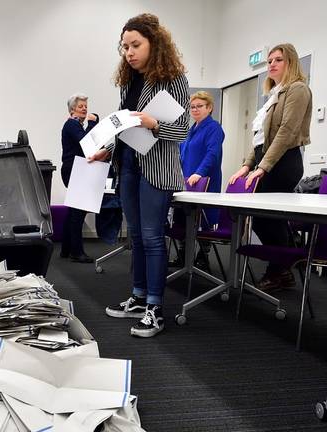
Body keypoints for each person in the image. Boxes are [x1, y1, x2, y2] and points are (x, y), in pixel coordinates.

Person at [89, 13, 190, 338]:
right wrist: (108, 151)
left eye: (135, 45)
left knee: (151, 237)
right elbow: (125, 126)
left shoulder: (172, 78)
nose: (129, 52)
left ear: (154, 43)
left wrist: (154, 124)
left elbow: (183, 130)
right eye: (125, 47)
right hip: (129, 165)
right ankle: (138, 297)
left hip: (156, 169)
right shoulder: (130, 80)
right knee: (136, 238)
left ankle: (155, 309)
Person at [228, 43, 312, 291]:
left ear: (291, 62)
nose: (272, 64)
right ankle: (284, 264)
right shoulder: (274, 94)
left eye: (279, 60)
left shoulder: (298, 89)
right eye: (269, 61)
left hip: (284, 161)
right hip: (266, 159)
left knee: (268, 220)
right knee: (263, 219)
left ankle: (280, 268)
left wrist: (263, 167)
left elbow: (286, 132)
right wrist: (247, 165)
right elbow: (258, 138)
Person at [60, 93, 99, 263]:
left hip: (75, 168)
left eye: (85, 106)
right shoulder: (72, 125)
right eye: (80, 106)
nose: (84, 108)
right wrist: (92, 123)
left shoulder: (75, 126)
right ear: (72, 110)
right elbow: (87, 143)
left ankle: (66, 249)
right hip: (74, 169)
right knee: (78, 211)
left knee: (74, 211)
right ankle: (76, 252)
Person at [180, 91, 224, 226]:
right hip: (187, 181)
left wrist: (199, 173)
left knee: (203, 221)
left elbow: (213, 154)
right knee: (183, 220)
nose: (194, 109)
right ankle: (184, 245)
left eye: (199, 106)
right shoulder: (190, 130)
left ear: (209, 108)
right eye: (192, 106)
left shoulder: (214, 128)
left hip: (204, 180)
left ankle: (204, 246)